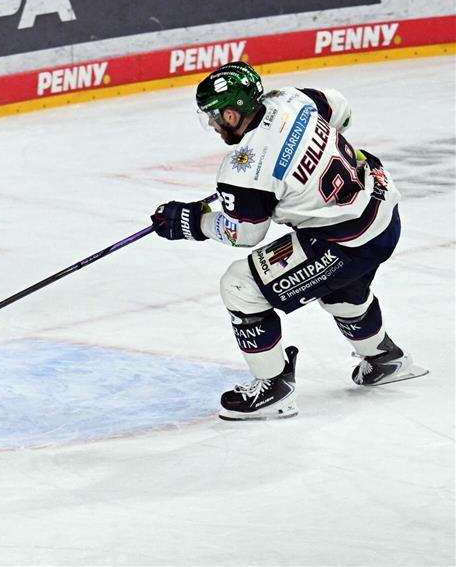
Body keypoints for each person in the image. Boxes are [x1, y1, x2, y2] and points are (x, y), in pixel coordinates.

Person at [151, 61, 426, 421]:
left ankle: (273, 388)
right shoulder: (289, 99)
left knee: (240, 286)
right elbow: (339, 107)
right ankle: (384, 358)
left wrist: (193, 222)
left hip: (347, 240)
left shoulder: (244, 167)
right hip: (382, 209)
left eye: (216, 117)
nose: (215, 126)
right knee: (340, 287)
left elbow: (245, 233)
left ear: (233, 115)